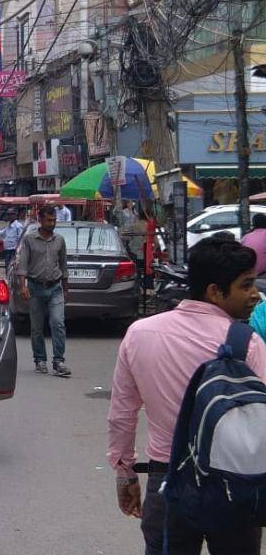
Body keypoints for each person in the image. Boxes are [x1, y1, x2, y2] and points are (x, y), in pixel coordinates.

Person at [107, 237, 266, 555]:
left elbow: (122, 413)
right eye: (246, 285)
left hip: (167, 481)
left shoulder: (141, 334)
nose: (255, 295)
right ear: (214, 292)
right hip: (234, 484)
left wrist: (125, 475)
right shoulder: (247, 344)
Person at [15, 204, 71, 377]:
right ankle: (40, 359)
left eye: (54, 220)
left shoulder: (59, 240)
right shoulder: (29, 240)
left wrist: (66, 288)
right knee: (37, 327)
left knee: (58, 323)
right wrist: (23, 286)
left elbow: (63, 265)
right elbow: (22, 264)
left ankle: (58, 361)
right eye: (48, 220)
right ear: (40, 220)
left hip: (55, 288)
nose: (52, 223)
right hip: (35, 288)